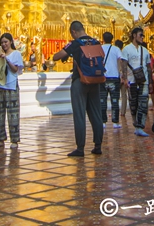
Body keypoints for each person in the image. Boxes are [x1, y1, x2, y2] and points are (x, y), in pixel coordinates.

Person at [49, 21, 104, 157]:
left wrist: (68, 54)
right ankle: (98, 145)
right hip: (95, 80)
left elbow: (57, 56)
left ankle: (80, 148)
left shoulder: (76, 43)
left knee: (79, 114)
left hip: (80, 80)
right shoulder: (96, 41)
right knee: (96, 113)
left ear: (73, 32)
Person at [121, 27, 154, 137]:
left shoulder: (144, 50)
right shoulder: (126, 49)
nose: (142, 37)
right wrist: (125, 78)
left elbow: (148, 67)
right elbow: (124, 64)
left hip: (143, 80)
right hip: (131, 80)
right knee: (133, 103)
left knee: (143, 103)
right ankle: (136, 124)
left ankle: (141, 126)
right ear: (134, 35)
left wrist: (150, 82)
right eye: (141, 35)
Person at [0, 33, 23, 147]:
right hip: (0, 85)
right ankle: (0, 139)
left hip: (11, 85)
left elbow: (15, 69)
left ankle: (14, 140)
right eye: (2, 43)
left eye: (6, 42)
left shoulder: (16, 54)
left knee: (13, 113)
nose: (4, 44)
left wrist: (6, 59)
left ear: (11, 42)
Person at [98, 32, 122, 128]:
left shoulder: (99, 48)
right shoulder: (116, 49)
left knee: (102, 100)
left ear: (103, 39)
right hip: (114, 77)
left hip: (103, 77)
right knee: (115, 100)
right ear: (112, 39)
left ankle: (103, 121)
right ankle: (115, 122)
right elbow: (120, 61)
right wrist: (120, 73)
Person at [114, 39, 129, 126]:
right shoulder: (123, 53)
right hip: (122, 76)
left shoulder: (115, 53)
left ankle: (116, 112)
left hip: (116, 76)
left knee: (116, 95)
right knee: (124, 95)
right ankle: (122, 111)